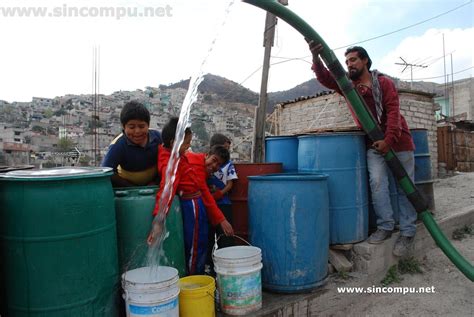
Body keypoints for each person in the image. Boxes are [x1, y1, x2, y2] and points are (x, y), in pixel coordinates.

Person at [308, 42, 416, 256]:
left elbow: (393, 112)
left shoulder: (384, 83)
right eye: (347, 61)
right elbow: (324, 77)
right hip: (374, 144)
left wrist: (389, 139)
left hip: (398, 141)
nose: (349, 64)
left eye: (353, 60)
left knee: (405, 187)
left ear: (365, 60)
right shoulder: (347, 86)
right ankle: (385, 226)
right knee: (377, 183)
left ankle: (407, 231)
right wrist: (315, 56)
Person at [149, 117, 234, 275]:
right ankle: (195, 277)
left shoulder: (176, 156)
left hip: (196, 204)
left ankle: (196, 274)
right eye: (187, 143)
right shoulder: (173, 161)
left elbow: (203, 191)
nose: (189, 148)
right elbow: (167, 189)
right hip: (192, 205)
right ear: (175, 141)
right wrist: (158, 220)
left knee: (199, 243)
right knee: (195, 245)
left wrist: (220, 218)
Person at [101, 101, 162, 187]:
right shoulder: (118, 145)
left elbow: (170, 159)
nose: (137, 131)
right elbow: (106, 171)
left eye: (141, 126)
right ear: (123, 126)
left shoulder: (157, 137)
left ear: (148, 125)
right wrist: (131, 187)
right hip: (127, 189)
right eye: (131, 127)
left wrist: (156, 182)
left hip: (155, 186)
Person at [206, 134, 238, 273]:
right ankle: (209, 267)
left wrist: (219, 193)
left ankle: (227, 267)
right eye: (225, 147)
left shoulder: (228, 164)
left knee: (226, 237)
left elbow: (230, 184)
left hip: (223, 204)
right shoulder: (206, 165)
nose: (226, 151)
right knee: (208, 237)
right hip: (209, 203)